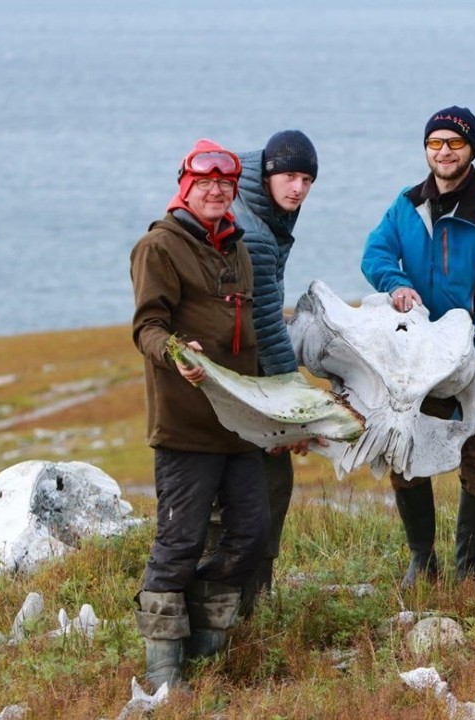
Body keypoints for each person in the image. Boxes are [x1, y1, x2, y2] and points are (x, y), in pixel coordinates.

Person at [130, 138, 271, 690]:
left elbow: (250, 337)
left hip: (239, 423)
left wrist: (279, 415)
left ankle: (208, 654)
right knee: (180, 540)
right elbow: (147, 327)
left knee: (250, 535)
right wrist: (175, 353)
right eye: (204, 182)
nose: (215, 191)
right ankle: (165, 672)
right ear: (185, 187)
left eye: (225, 184)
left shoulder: (236, 248)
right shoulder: (159, 247)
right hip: (185, 423)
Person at [361, 106, 475, 585]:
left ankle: (468, 570)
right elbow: (376, 252)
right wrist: (395, 283)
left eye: (455, 143)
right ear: (426, 149)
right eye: (436, 143)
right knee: (405, 451)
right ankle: (421, 560)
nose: (445, 152)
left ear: (471, 148)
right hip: (418, 359)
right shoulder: (407, 205)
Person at [229, 130, 318, 611]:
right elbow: (265, 320)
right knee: (267, 488)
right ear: (266, 174)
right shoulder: (258, 235)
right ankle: (249, 604)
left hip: (238, 369)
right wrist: (297, 408)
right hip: (247, 376)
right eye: (289, 176)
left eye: (307, 179)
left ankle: (240, 601)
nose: (299, 188)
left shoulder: (256, 205)